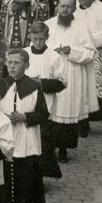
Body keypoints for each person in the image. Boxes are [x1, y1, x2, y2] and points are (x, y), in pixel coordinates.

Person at [0, 49, 49, 203]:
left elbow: (44, 114)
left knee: (24, 182)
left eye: (16, 63)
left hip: (26, 142)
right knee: (8, 181)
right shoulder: (2, 85)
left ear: (26, 66)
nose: (11, 66)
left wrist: (24, 116)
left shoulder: (34, 88)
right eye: (9, 62)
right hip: (7, 140)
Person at [44, 0, 96, 163]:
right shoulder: (49, 24)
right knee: (50, 110)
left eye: (69, 7)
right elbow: (38, 45)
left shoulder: (81, 26)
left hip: (72, 73)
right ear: (57, 7)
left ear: (74, 9)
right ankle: (49, 148)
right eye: (62, 6)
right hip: (51, 73)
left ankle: (64, 149)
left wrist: (71, 50)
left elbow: (90, 52)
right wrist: (52, 51)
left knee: (67, 109)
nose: (65, 9)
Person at [24, 22, 66, 178]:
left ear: (47, 37)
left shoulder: (54, 57)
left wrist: (42, 83)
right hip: (25, 102)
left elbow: (62, 82)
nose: (38, 42)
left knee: (42, 141)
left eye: (41, 39)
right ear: (29, 36)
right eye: (34, 38)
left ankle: (40, 177)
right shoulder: (24, 53)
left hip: (46, 104)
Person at [0, 0, 50, 75]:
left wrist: (35, 9)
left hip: (30, 25)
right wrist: (13, 8)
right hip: (14, 28)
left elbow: (44, 12)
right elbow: (4, 12)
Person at [75, 0, 102, 125]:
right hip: (78, 52)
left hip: (96, 52)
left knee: (94, 82)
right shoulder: (73, 9)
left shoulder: (101, 8)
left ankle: (95, 115)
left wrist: (90, 41)